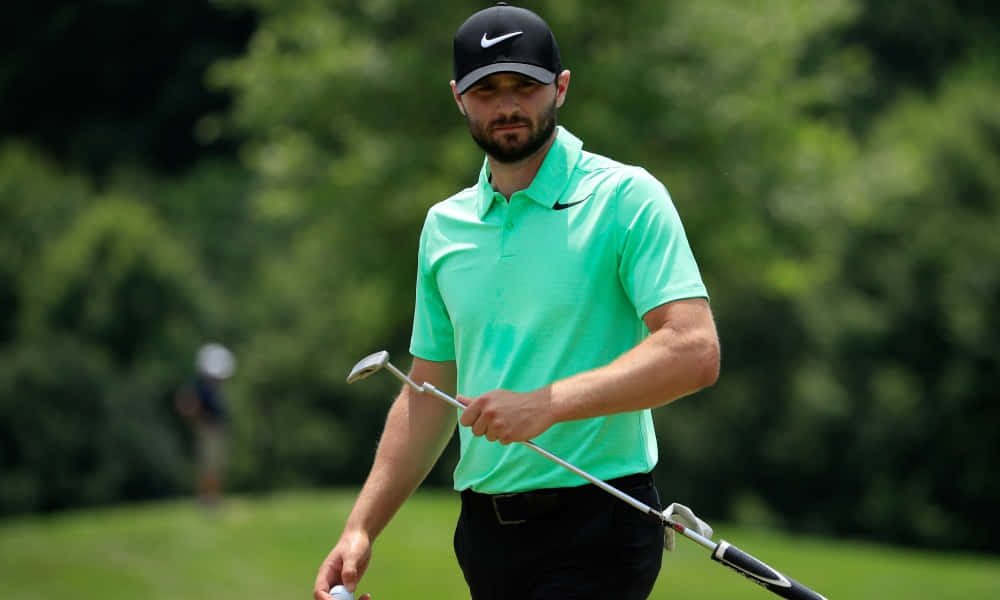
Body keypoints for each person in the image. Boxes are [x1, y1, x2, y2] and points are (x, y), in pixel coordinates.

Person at [314, 4, 720, 599]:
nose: (507, 106)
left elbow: (694, 350)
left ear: (561, 87)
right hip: (485, 534)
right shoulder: (445, 226)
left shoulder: (626, 197)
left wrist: (546, 405)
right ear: (458, 97)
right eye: (486, 90)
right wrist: (360, 528)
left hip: (601, 519)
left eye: (524, 86)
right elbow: (428, 390)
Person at [175, 342, 236, 508]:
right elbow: (185, 404)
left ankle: (212, 499)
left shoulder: (209, 386)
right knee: (210, 466)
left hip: (214, 429)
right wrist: (200, 418)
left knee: (215, 466)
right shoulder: (199, 387)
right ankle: (208, 500)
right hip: (209, 429)